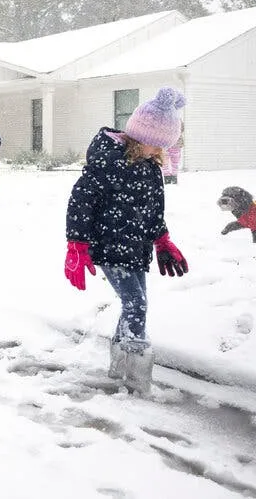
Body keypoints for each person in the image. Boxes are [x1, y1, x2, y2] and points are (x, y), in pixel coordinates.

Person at [63, 87, 189, 395]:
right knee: (136, 304)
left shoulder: (150, 167)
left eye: (163, 146)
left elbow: (151, 210)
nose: (159, 151)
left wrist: (162, 239)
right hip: (108, 245)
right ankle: (137, 380)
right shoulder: (107, 161)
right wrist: (76, 245)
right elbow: (81, 202)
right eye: (156, 144)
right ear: (140, 136)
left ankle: (119, 368)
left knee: (133, 304)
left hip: (136, 247)